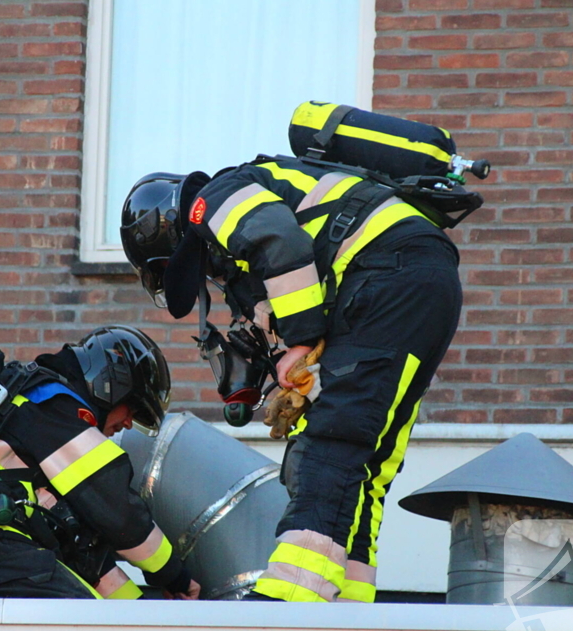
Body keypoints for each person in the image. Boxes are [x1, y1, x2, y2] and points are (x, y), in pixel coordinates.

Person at [119, 156, 463, 603]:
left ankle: (291, 595)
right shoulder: (264, 206)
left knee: (332, 440)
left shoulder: (215, 199)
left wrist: (300, 342)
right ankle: (349, 597)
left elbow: (279, 241)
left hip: (384, 273)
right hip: (417, 281)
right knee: (369, 458)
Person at [0, 325, 201, 601]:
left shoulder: (29, 408)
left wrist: (141, 612)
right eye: (132, 409)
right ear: (113, 387)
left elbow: (85, 554)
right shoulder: (55, 407)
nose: (127, 423)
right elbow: (119, 516)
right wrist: (177, 579)